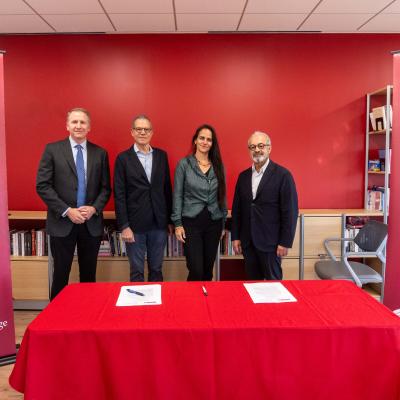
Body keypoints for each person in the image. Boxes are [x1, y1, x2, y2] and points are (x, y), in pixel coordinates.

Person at [36, 108, 111, 300]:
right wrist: (67, 210)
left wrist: (94, 208)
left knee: (89, 275)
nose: (78, 126)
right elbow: (43, 186)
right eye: (75, 122)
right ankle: (55, 319)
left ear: (89, 127)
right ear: (67, 125)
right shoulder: (52, 150)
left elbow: (106, 188)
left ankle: (86, 317)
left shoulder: (100, 153)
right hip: (62, 223)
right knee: (60, 274)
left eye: (82, 122)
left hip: (90, 223)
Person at [231, 131, 298, 280]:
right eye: (252, 146)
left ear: (269, 148)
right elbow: (237, 209)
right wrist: (235, 237)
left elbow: (290, 211)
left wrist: (285, 242)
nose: (257, 150)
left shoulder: (283, 175)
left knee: (274, 287)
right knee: (253, 284)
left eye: (261, 145)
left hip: (272, 243)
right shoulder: (243, 177)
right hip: (248, 242)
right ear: (249, 150)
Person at [114, 115, 172, 282]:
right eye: (138, 129)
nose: (142, 132)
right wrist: (124, 226)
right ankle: (138, 308)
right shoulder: (123, 159)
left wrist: (169, 220)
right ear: (132, 132)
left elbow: (167, 189)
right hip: (134, 226)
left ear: (152, 133)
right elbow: (119, 194)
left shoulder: (162, 156)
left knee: (156, 269)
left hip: (159, 224)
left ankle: (156, 307)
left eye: (146, 129)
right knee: (137, 271)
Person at [172, 124, 227, 281]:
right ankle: (194, 303)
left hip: (214, 223)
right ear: (195, 140)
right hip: (191, 223)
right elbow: (177, 195)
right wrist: (177, 224)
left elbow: (223, 196)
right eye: (202, 138)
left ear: (212, 143)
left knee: (208, 270)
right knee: (196, 269)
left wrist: (223, 223)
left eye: (209, 139)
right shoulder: (184, 164)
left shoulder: (218, 166)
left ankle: (205, 304)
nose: (205, 142)